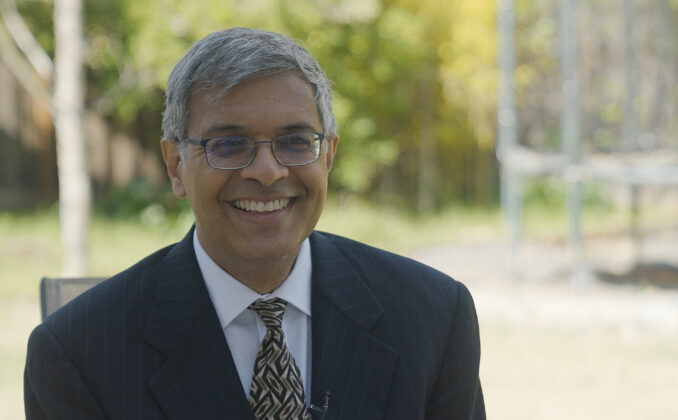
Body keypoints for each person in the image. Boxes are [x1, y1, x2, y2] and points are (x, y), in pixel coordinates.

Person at [24, 27, 485, 419]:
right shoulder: (77, 353)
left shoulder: (434, 317)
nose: (267, 172)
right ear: (175, 165)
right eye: (228, 144)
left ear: (329, 156)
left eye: (296, 140)